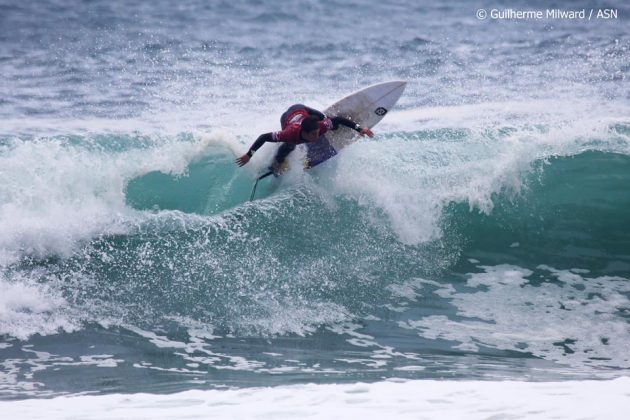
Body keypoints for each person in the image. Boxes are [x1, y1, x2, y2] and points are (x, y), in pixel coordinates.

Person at [235, 104, 374, 170]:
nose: (316, 136)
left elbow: (339, 119)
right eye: (313, 134)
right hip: (287, 117)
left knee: (329, 120)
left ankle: (327, 121)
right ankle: (278, 162)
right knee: (289, 145)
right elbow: (264, 137)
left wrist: (360, 129)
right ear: (305, 133)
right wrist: (249, 154)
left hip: (302, 109)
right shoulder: (289, 134)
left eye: (317, 132)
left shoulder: (320, 126)